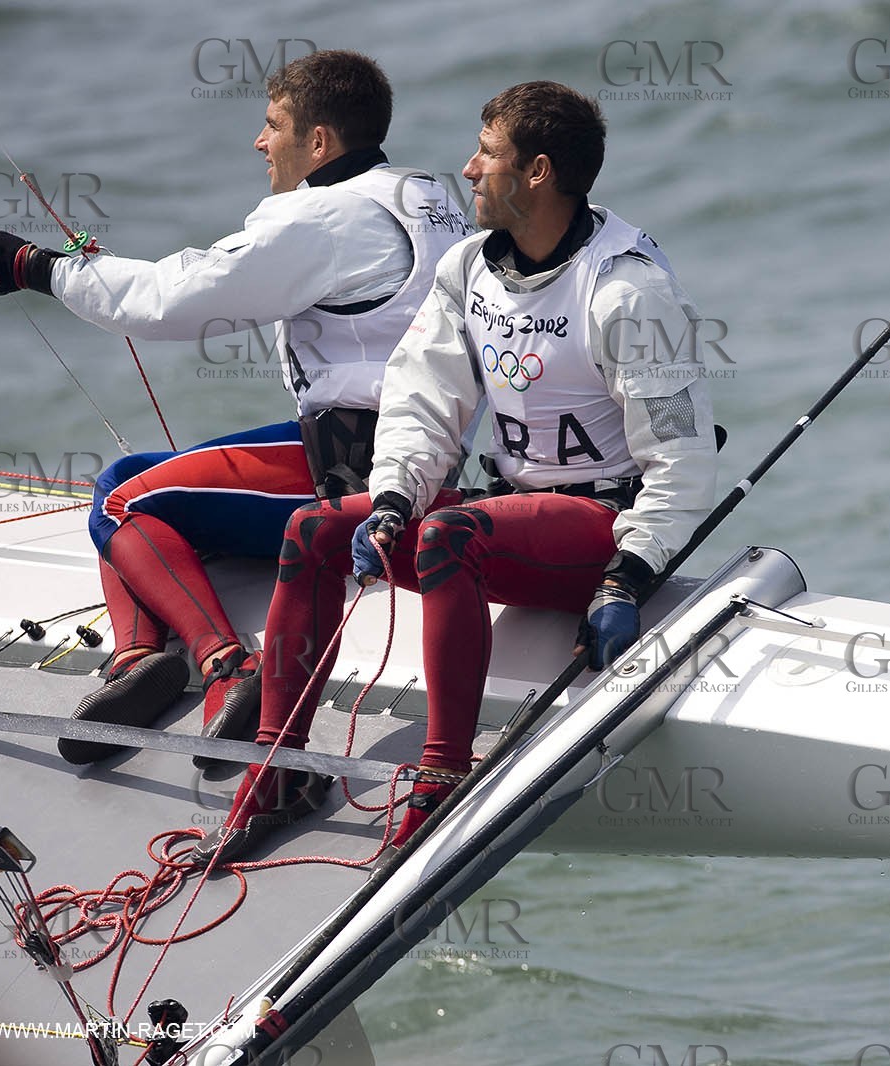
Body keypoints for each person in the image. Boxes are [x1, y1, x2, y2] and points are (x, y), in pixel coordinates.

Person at [217, 81, 718, 856]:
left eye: (488, 153)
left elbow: (682, 460)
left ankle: (444, 777)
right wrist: (390, 500)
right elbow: (423, 404)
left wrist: (629, 577)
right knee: (316, 526)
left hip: (597, 534)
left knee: (450, 533)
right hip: (506, 518)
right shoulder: (467, 270)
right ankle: (279, 767)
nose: (470, 169)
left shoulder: (628, 292)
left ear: (539, 172)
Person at [0, 51, 469, 764]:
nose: (259, 142)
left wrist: (35, 267)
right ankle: (138, 659)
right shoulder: (426, 194)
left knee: (123, 505)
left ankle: (224, 663)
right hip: (434, 455)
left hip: (367, 477)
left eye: (272, 125)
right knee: (132, 474)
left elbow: (172, 297)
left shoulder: (325, 218)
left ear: (319, 142)